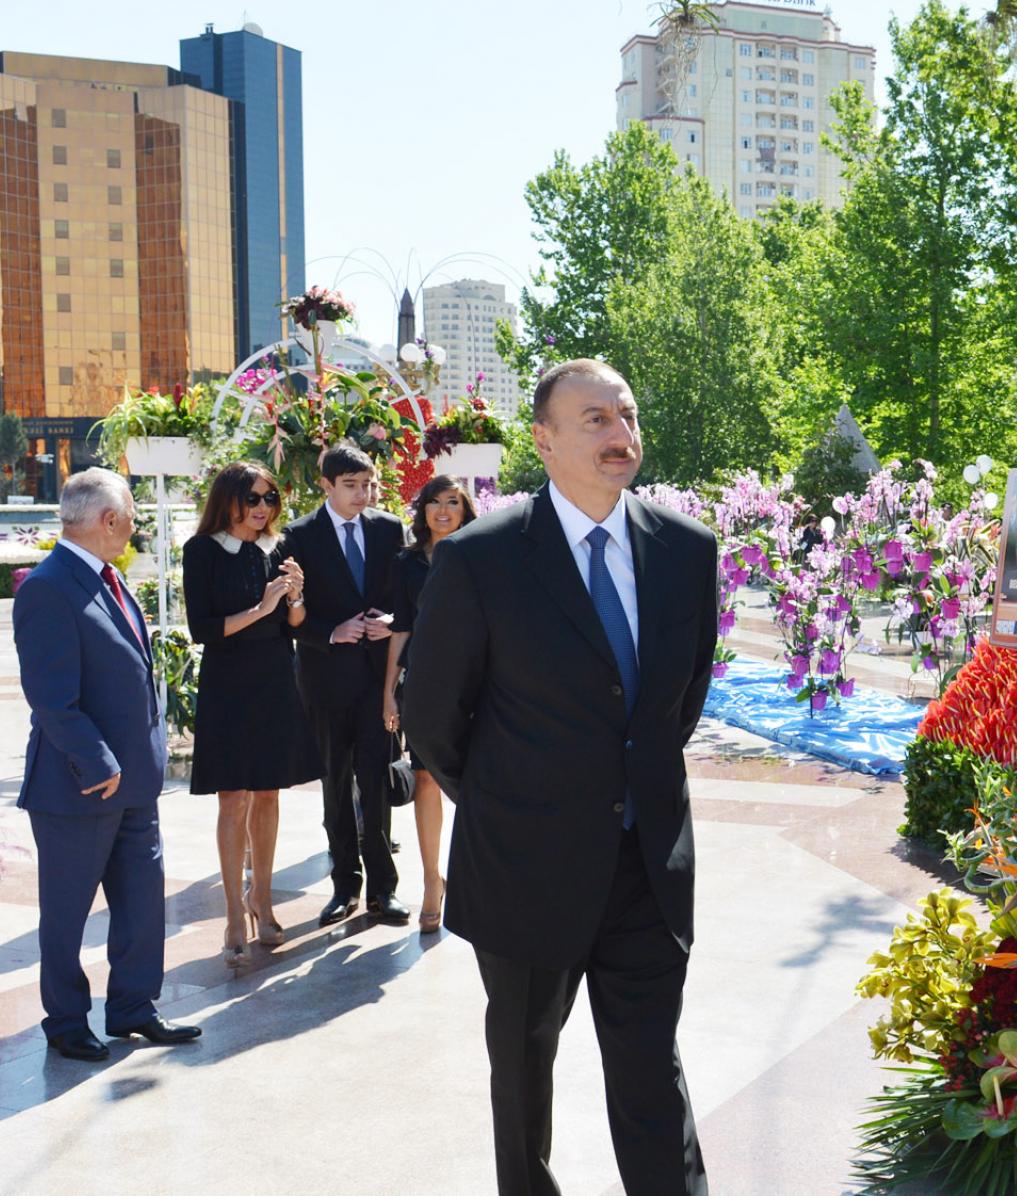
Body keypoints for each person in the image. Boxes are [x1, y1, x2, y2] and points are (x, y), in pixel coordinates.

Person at [404, 358, 718, 1196]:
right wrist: (519, 800)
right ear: (542, 440)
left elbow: (680, 699)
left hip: (647, 869)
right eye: (595, 421)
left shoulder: (687, 552)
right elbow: (432, 714)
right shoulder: (481, 560)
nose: (620, 435)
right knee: (523, 1077)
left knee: (653, 1071)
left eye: (627, 415)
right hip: (525, 870)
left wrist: (623, 786)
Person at [12, 468, 199, 1062]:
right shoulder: (48, 587)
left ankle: (134, 1008)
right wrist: (97, 761)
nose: (135, 529)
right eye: (131, 518)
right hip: (78, 785)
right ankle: (67, 1021)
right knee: (67, 915)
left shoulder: (112, 578)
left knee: (143, 903)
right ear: (107, 520)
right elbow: (50, 696)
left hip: (136, 783)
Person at [184, 462, 320, 965]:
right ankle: (233, 913)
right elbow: (203, 628)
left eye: (270, 499)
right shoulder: (202, 551)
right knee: (232, 797)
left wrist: (297, 596)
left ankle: (262, 898)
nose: (263, 508)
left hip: (275, 679)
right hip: (228, 683)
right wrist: (262, 609)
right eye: (254, 498)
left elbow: (295, 625)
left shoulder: (279, 549)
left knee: (268, 792)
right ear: (230, 500)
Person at [271, 446, 410, 927]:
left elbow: (403, 597)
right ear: (325, 485)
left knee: (377, 783)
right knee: (335, 786)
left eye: (367, 484)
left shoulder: (390, 528)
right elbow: (289, 614)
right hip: (325, 681)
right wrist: (331, 631)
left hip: (377, 682)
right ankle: (344, 888)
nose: (361, 494)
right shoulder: (298, 537)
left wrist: (390, 621)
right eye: (350, 485)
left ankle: (383, 891)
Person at [382, 473, 479, 935]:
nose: (443, 511)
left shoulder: (484, 553)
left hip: (478, 683)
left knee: (479, 780)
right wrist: (388, 692)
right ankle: (430, 881)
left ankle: (480, 877)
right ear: (422, 510)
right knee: (425, 777)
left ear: (465, 509)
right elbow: (400, 628)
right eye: (435, 502)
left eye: (453, 502)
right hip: (423, 682)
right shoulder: (406, 563)